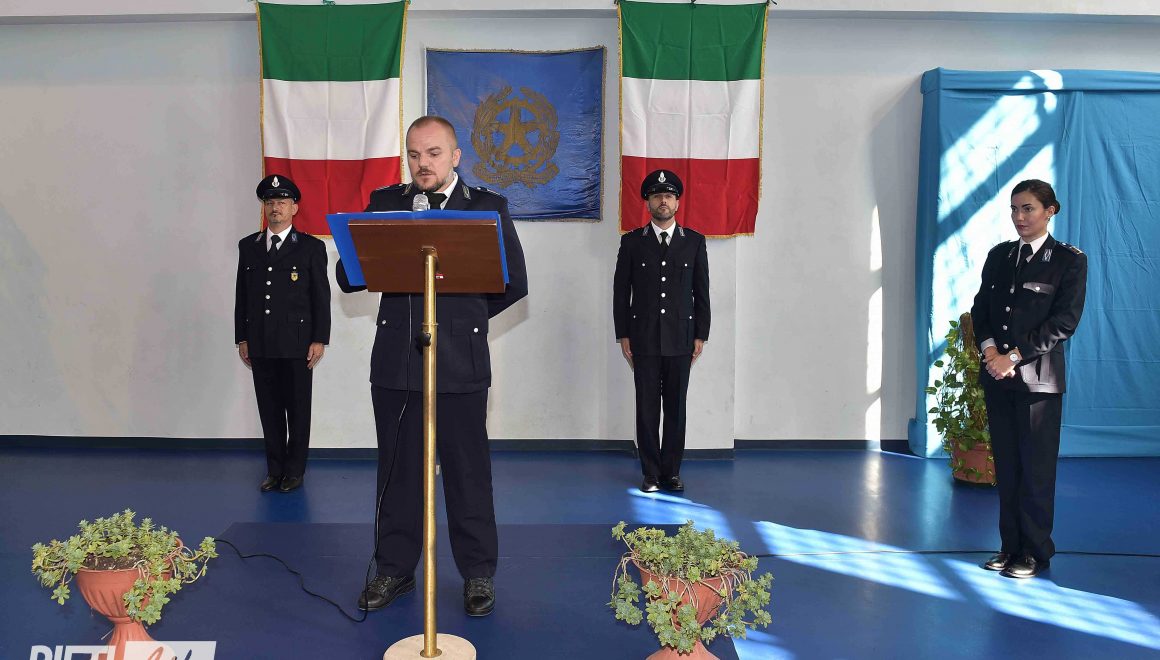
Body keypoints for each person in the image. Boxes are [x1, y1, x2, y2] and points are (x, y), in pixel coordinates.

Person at [336, 116, 527, 616]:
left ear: (456, 156)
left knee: (468, 474)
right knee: (398, 472)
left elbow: (515, 282)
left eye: (434, 153)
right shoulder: (387, 204)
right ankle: (395, 570)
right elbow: (348, 276)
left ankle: (478, 574)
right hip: (397, 362)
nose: (423, 164)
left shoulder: (486, 207)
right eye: (415, 154)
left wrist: (462, 320)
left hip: (460, 363)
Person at [971, 179, 1087, 579]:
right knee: (1007, 467)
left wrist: (1013, 357)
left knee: (1035, 470)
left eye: (1028, 209)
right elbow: (982, 309)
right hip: (998, 377)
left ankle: (1035, 551)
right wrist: (991, 353)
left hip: (1039, 382)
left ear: (1050, 211)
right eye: (1014, 209)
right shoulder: (999, 256)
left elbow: (1064, 322)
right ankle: (1009, 546)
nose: (1019, 217)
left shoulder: (1068, 260)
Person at [613, 169, 710, 494]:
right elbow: (620, 292)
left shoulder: (693, 242)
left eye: (668, 196)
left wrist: (701, 334)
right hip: (643, 339)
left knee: (676, 409)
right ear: (648, 203)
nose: (663, 201)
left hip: (681, 338)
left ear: (677, 202)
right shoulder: (632, 242)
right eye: (657, 196)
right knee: (647, 409)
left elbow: (701, 291)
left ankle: (672, 472)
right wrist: (623, 334)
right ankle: (651, 473)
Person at [235, 174, 331, 493]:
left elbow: (320, 297)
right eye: (270, 202)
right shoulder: (248, 246)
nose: (275, 207)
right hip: (260, 342)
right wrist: (242, 337)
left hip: (297, 344)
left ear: (294, 208)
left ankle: (294, 471)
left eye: (282, 202)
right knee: (270, 410)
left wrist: (319, 339)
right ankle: (274, 469)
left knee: (298, 410)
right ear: (264, 208)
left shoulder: (311, 248)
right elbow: (242, 296)